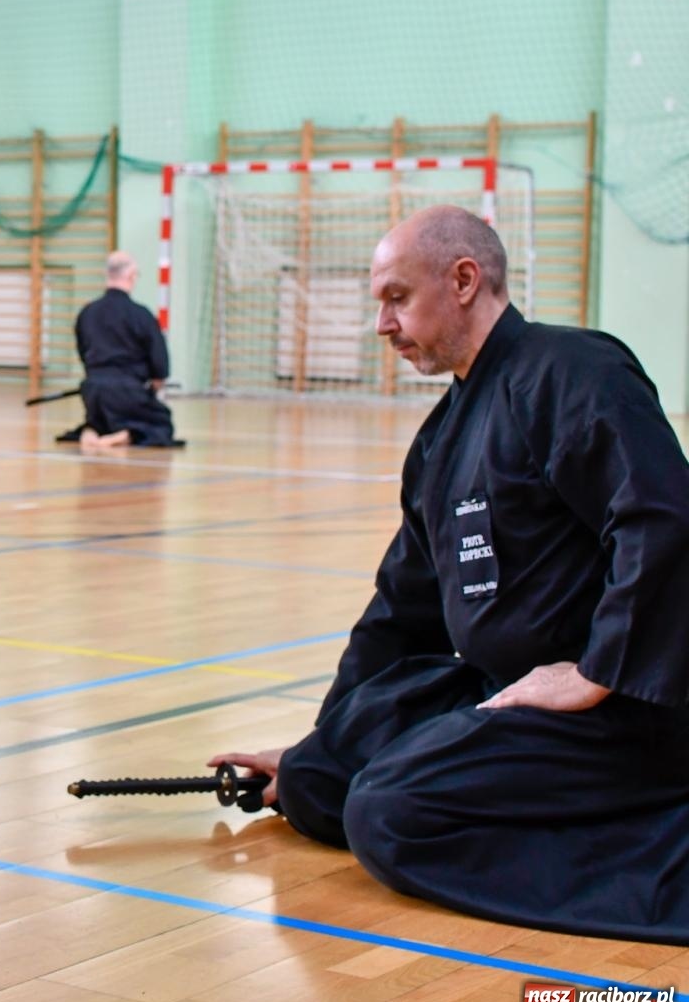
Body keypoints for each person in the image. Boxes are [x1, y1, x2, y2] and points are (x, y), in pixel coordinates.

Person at [212, 204, 689, 943]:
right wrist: (317, 746)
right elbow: (401, 608)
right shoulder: (442, 438)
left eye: (397, 298)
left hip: (623, 709)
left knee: (390, 814)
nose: (382, 325)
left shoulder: (572, 371)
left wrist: (597, 672)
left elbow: (662, 517)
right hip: (510, 691)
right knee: (318, 784)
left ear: (463, 280)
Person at [62, 251, 182, 449]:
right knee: (160, 422)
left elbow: (83, 353)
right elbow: (159, 361)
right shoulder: (140, 314)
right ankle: (124, 436)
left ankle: (91, 431)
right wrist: (155, 383)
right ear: (131, 276)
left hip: (93, 390)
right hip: (128, 389)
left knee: (102, 420)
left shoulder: (87, 313)